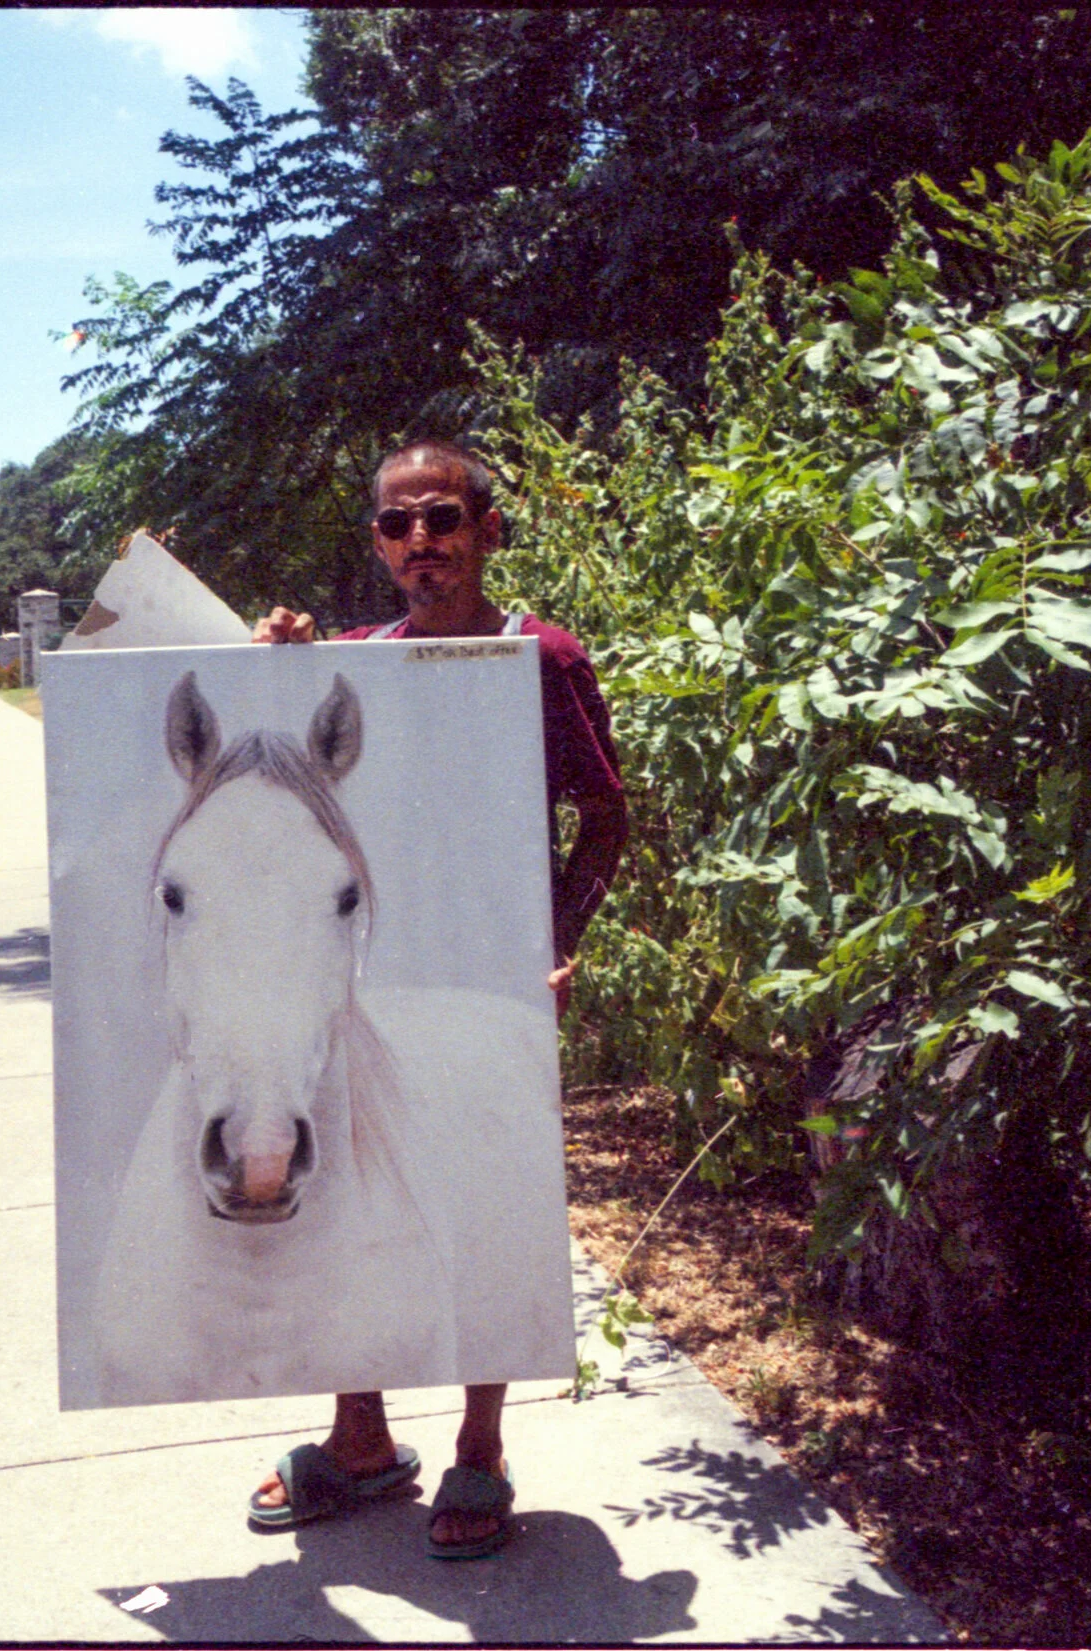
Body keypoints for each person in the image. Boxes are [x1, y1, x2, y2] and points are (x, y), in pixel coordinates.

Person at [246, 438, 629, 1560]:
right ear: (377, 545)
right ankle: (358, 1436)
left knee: (484, 1210)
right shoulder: (356, 661)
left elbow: (606, 820)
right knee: (348, 1200)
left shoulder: (540, 659)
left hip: (489, 991)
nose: (422, 543)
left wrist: (555, 942)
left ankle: (479, 1447)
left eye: (442, 519)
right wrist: (276, 660)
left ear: (487, 529)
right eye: (396, 525)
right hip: (365, 992)